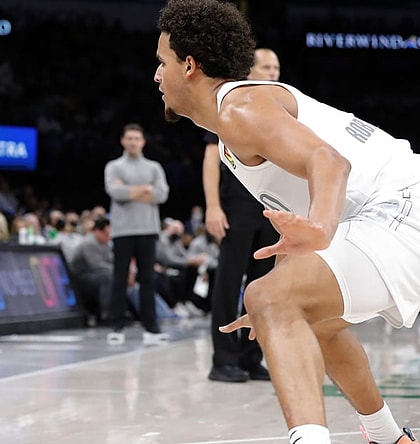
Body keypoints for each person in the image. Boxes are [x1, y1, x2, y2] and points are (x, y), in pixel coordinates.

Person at [156, 1, 418, 443]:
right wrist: (285, 291)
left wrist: (317, 234)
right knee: (310, 318)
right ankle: (390, 437)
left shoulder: (240, 108)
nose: (156, 76)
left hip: (403, 203)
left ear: (189, 65)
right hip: (383, 210)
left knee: (271, 297)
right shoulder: (231, 131)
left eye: (161, 62)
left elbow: (329, 163)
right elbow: (306, 208)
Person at [202, 48, 281, 383]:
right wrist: (213, 206)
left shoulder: (282, 107)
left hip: (271, 206)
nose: (274, 72)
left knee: (263, 286)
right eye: (267, 66)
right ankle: (223, 359)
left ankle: (251, 357)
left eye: (277, 67)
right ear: (250, 69)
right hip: (237, 206)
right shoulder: (230, 103)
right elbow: (210, 158)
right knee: (229, 282)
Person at [104, 123, 169, 345]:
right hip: (122, 230)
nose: (133, 142)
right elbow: (115, 192)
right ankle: (117, 325)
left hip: (147, 229)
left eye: (136, 138)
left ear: (143, 141)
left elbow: (161, 195)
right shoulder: (114, 166)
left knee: (148, 280)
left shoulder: (153, 167)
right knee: (120, 278)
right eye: (129, 138)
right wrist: (145, 189)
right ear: (123, 140)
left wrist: (130, 190)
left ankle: (151, 327)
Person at [68, 217, 114, 326]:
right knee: (107, 278)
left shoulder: (104, 243)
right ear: (97, 231)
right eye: (106, 234)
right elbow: (96, 265)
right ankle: (106, 314)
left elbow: (111, 260)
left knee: (114, 276)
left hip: (95, 274)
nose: (109, 238)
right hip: (81, 277)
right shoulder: (89, 243)